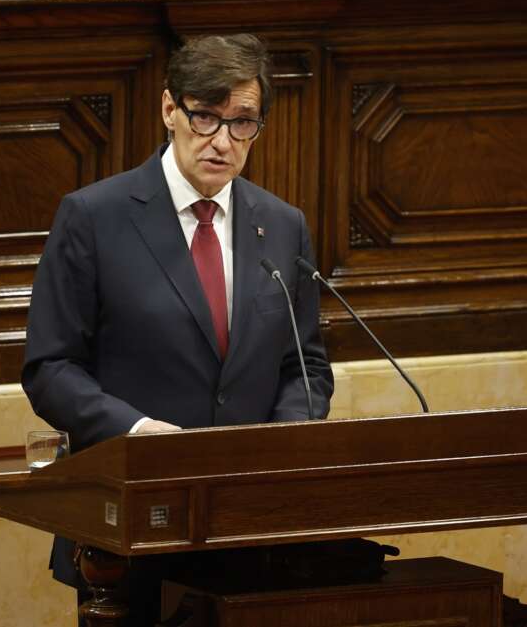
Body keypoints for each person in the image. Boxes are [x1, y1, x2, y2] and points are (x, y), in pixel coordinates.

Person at [21, 33, 334, 624]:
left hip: (253, 533)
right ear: (170, 109)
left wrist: (281, 440)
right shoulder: (93, 217)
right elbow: (50, 369)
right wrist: (138, 431)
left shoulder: (283, 225)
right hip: (131, 532)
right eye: (205, 117)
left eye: (242, 123)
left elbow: (306, 366)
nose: (222, 141)